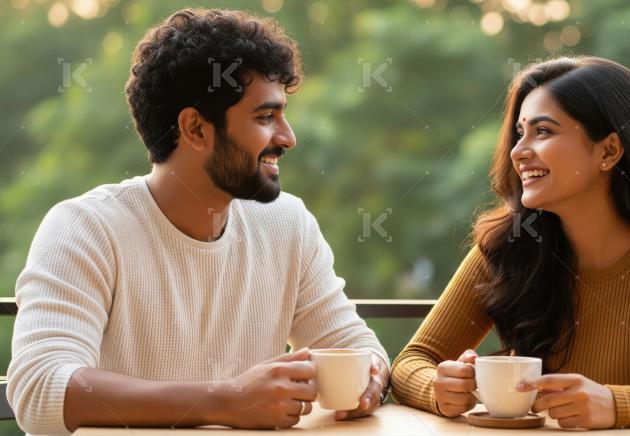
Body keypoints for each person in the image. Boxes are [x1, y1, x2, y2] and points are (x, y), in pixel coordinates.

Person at [7, 9, 389, 435]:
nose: (288, 137)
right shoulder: (85, 228)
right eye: (265, 117)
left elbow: (357, 347)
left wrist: (370, 378)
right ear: (195, 128)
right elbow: (41, 390)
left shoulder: (287, 225)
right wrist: (225, 401)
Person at [390, 56, 630, 433]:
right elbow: (411, 363)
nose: (518, 151)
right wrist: (439, 389)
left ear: (608, 151)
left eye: (543, 131)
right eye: (520, 132)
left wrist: (615, 405)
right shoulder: (511, 242)